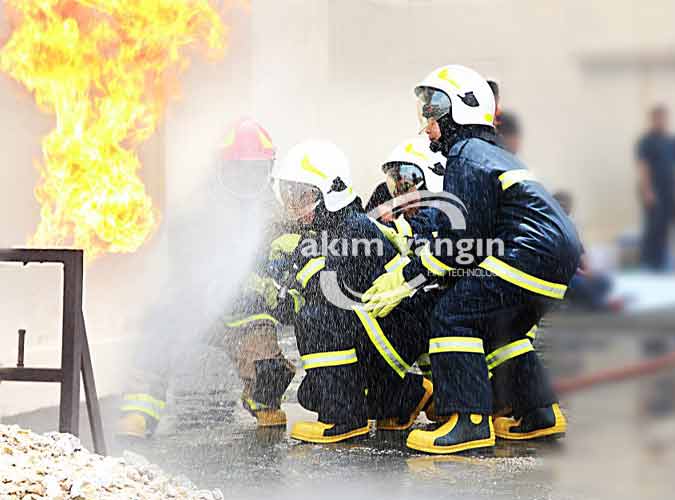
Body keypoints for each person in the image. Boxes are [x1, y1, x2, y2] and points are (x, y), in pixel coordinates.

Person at [363, 65, 581, 454]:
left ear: (462, 110)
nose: (427, 126)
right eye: (425, 115)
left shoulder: (466, 155)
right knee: (503, 329)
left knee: (453, 314)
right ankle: (539, 414)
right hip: (555, 257)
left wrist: (409, 276)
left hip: (525, 251)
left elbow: (464, 240)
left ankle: (468, 423)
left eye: (434, 114)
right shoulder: (492, 153)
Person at [118, 119, 295, 437]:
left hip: (247, 315)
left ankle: (263, 402)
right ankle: (140, 410)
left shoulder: (276, 215)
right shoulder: (199, 211)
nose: (247, 177)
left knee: (267, 368)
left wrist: (267, 285)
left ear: (267, 168)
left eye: (255, 170)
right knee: (160, 329)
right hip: (199, 308)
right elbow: (184, 266)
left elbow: (287, 265)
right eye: (240, 169)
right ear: (223, 169)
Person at [269, 140, 433, 443]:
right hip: (380, 329)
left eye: (303, 196)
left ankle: (343, 419)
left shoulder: (354, 229)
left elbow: (325, 293)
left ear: (330, 193)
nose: (295, 206)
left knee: (316, 318)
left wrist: (290, 278)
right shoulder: (330, 230)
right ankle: (404, 397)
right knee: (312, 393)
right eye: (290, 196)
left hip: (397, 330)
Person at [636, 106, 675, 270]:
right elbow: (643, 166)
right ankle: (647, 262)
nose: (661, 121)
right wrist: (647, 191)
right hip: (653, 190)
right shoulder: (646, 141)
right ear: (653, 119)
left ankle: (662, 261)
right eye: (658, 117)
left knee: (665, 226)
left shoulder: (670, 141)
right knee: (652, 226)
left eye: (664, 117)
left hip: (669, 189)